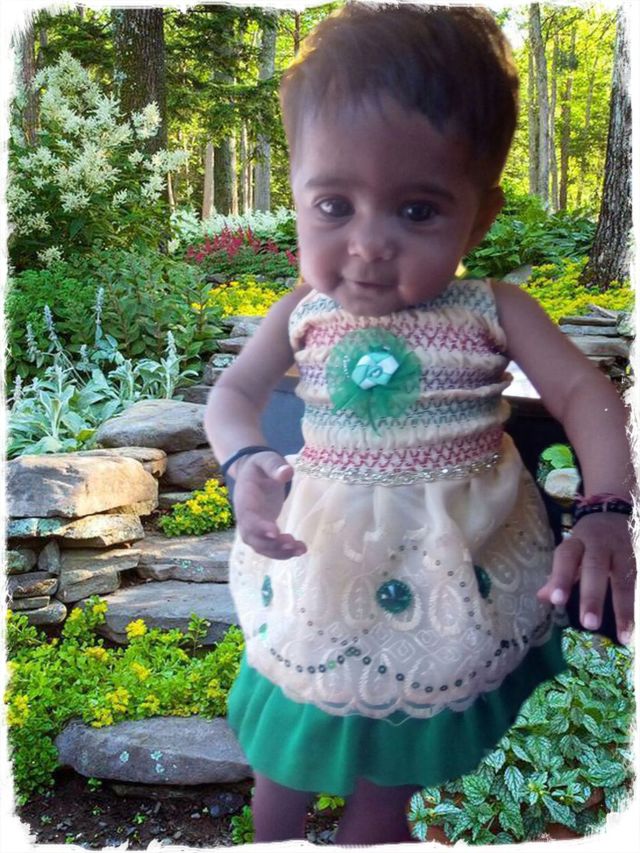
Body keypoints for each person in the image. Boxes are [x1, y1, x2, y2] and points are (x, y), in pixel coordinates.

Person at [204, 3, 635, 844]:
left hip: (441, 587)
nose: (369, 243)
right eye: (334, 204)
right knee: (279, 759)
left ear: (480, 214)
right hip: (319, 570)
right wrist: (243, 458)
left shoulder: (495, 309)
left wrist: (607, 507)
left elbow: (588, 394)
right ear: (296, 192)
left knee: (386, 787)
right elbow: (233, 395)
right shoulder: (302, 310)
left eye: (417, 211)